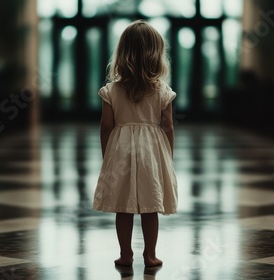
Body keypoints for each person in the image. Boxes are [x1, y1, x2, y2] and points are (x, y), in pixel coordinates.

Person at [92, 19, 178, 268]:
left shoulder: (111, 91)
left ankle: (126, 254)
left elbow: (106, 126)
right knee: (151, 205)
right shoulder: (163, 90)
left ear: (122, 53)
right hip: (152, 152)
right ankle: (150, 255)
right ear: (156, 54)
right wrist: (168, 155)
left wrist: (107, 156)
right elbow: (168, 126)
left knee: (123, 205)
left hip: (120, 151)